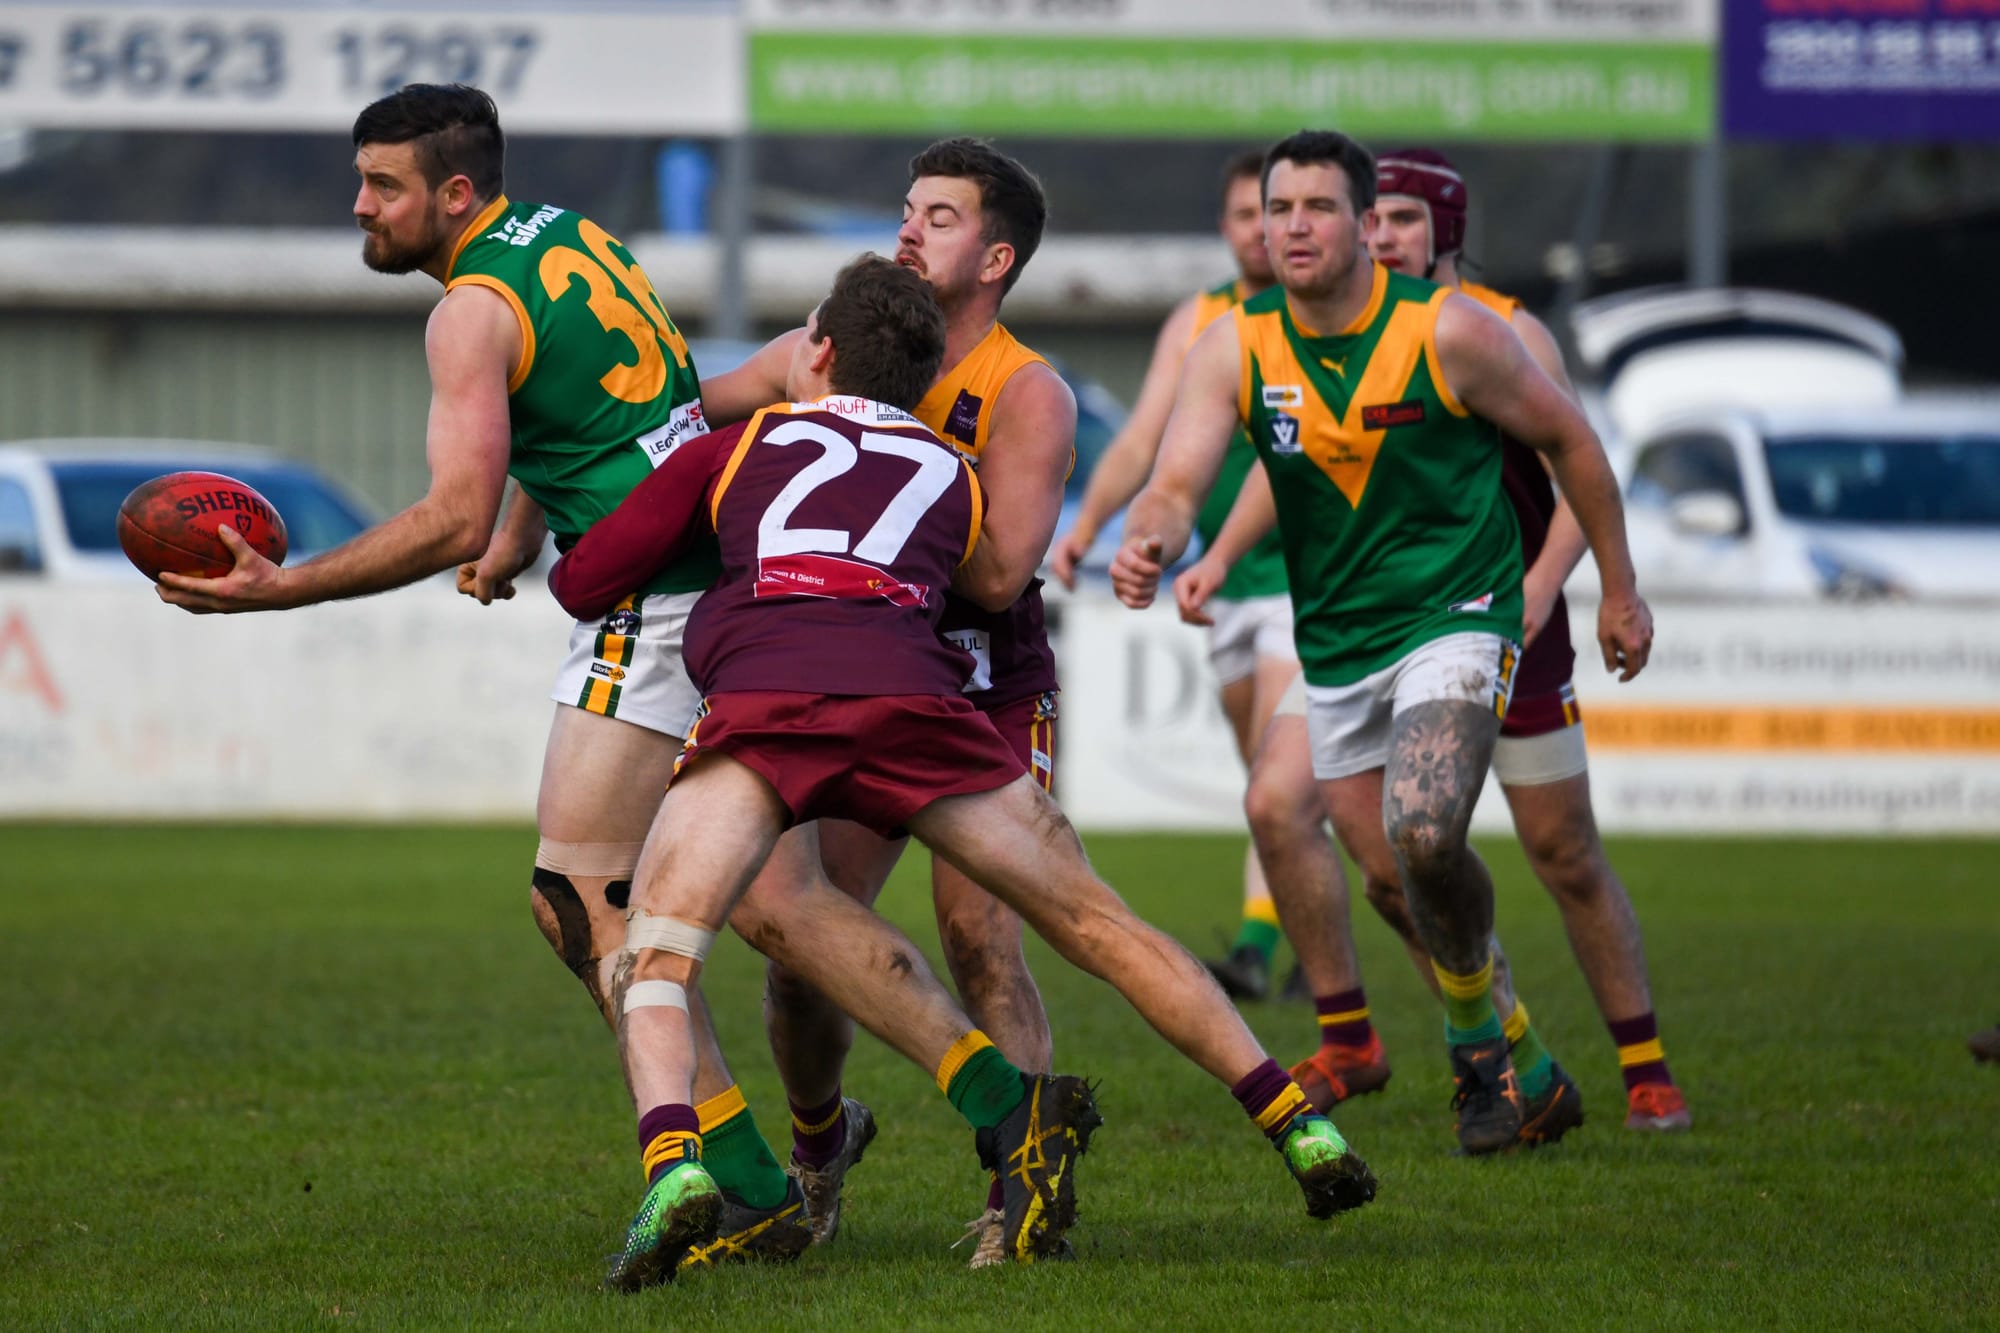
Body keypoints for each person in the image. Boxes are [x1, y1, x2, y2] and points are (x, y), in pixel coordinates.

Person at [542, 254, 1378, 1288]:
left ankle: (674, 1166)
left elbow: (583, 580)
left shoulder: (740, 442)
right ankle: (1297, 1123)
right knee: (1097, 923)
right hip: (917, 706)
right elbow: (985, 580)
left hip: (765, 707)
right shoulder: (952, 469)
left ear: (818, 351)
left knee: (657, 951)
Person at [154, 83, 816, 1263]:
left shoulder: (467, 310)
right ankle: (832, 1143)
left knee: (585, 898)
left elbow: (449, 516)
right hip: (710, 578)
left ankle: (743, 1173)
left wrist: (279, 589)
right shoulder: (571, 236)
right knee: (690, 903)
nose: (361, 206)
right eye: (360, 181)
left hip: (650, 604)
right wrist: (524, 530)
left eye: (384, 186)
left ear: (454, 193)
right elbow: (608, 425)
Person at [1113, 130, 1655, 1157]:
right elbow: (1176, 480)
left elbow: (1572, 441)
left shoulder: (1451, 332)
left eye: (1317, 208)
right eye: (1278, 209)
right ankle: (1526, 1066)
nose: (1292, 227)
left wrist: (1617, 589)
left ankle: (1475, 1050)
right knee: (1388, 875)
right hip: (1336, 642)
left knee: (1422, 828)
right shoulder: (1233, 344)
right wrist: (1151, 538)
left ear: (1365, 225)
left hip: (1459, 612)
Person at [700, 139, 1078, 1263]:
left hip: (984, 688)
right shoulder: (819, 351)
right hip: (866, 672)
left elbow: (999, 576)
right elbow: (682, 411)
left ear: (997, 258)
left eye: (941, 217)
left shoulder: (1027, 391)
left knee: (980, 936)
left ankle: (1023, 1196)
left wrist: (868, 491)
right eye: (909, 209)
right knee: (798, 949)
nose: (910, 228)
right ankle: (819, 1155)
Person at [1048, 149, 1304, 1002]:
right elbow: (1142, 439)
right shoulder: (1202, 320)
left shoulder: (1324, 315)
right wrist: (1089, 526)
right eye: (1246, 214)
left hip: (1308, 576)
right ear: (1226, 227)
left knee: (1278, 778)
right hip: (1222, 581)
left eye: (1276, 212)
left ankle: (1263, 948)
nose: (1262, 230)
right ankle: (1311, 924)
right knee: (1268, 778)